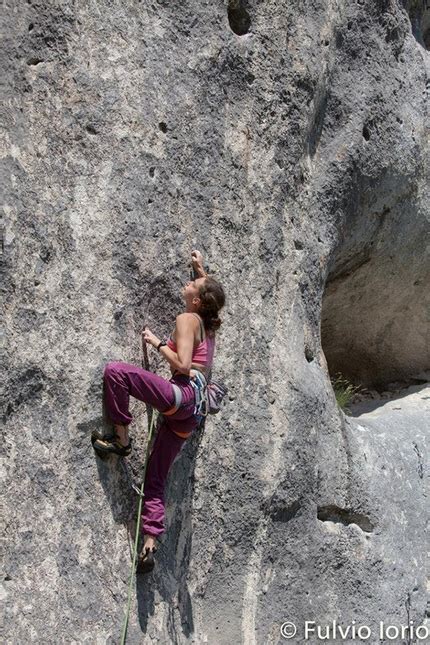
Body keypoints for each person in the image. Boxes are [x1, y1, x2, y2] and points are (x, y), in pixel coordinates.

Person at [93, 250, 226, 573]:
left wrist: (155, 342)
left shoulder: (187, 319)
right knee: (156, 477)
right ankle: (150, 542)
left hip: (178, 396)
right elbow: (206, 295)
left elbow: (181, 363)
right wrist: (199, 269)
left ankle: (121, 440)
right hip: (190, 414)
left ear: (197, 301)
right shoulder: (207, 323)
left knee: (116, 372)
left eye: (194, 283)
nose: (187, 283)